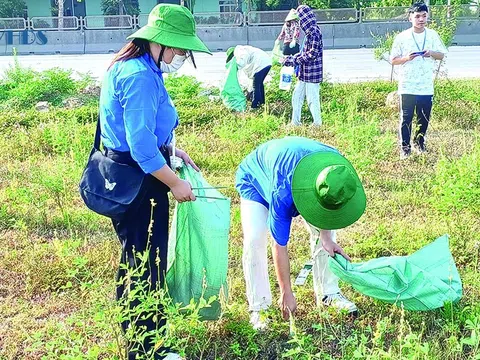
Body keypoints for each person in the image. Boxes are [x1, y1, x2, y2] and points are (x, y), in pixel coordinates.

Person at [99, 4, 210, 359]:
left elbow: (143, 129)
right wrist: (174, 182)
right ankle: (146, 348)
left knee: (145, 259)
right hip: (140, 180)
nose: (180, 56)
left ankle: (150, 339)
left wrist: (175, 151)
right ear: (157, 43)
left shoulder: (138, 66)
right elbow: (141, 146)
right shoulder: (140, 76)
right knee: (143, 262)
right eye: (178, 49)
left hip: (138, 172)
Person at [235, 136, 366, 330]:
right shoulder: (283, 193)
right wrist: (286, 292)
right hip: (255, 177)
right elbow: (279, 246)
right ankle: (259, 306)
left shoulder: (337, 171)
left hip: (299, 169)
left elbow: (328, 202)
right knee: (255, 239)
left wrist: (326, 237)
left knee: (327, 237)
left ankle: (328, 293)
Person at [390, 2, 447, 160]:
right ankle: (405, 148)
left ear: (427, 17)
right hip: (407, 85)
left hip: (426, 86)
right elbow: (393, 60)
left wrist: (431, 53)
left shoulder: (433, 35)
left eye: (424, 16)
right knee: (406, 118)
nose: (421, 19)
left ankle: (419, 143)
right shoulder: (402, 37)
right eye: (417, 16)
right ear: (410, 18)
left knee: (424, 118)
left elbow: (442, 55)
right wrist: (407, 58)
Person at [283, 5, 323, 126]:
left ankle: (317, 124)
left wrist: (293, 60)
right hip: (304, 73)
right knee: (297, 97)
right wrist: (292, 59)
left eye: (299, 20)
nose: (299, 24)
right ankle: (295, 123)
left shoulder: (314, 32)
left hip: (312, 74)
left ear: (305, 18)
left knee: (312, 99)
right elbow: (304, 53)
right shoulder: (309, 32)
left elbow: (312, 54)